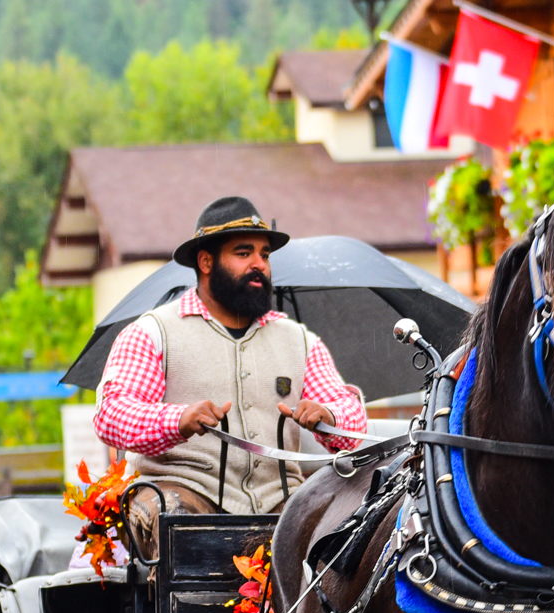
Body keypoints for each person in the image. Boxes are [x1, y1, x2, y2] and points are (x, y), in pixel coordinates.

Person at [92, 196, 370, 544]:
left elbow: (353, 429)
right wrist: (177, 420)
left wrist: (327, 414)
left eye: (265, 255)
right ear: (206, 262)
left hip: (279, 501)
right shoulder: (152, 331)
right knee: (172, 520)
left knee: (342, 534)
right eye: (244, 253)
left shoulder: (299, 340)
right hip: (184, 490)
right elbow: (111, 414)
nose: (260, 265)